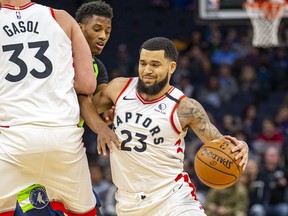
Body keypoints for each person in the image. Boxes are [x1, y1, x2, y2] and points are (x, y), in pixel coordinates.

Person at [91, 37, 249, 215]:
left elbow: (219, 144)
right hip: (128, 204)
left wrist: (240, 148)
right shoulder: (119, 88)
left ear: (172, 67)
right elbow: (83, 109)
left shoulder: (186, 107)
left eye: (155, 64)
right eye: (143, 63)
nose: (147, 70)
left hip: (173, 199)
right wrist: (101, 126)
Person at [14, 1, 119, 215]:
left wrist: (111, 108)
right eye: (97, 29)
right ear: (78, 28)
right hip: (36, 141)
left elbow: (96, 100)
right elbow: (82, 101)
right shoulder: (57, 53)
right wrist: (100, 126)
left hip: (65, 148)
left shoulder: (97, 67)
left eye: (107, 31)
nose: (103, 36)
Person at [0, 0, 97, 215]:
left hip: (14, 140)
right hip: (64, 136)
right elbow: (87, 84)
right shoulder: (61, 17)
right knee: (84, 210)